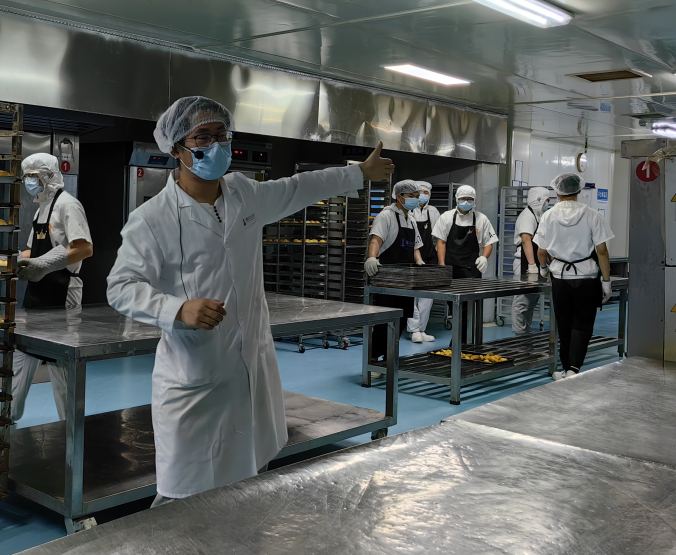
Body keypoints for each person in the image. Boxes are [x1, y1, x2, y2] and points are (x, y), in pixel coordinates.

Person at [106, 96, 393, 506]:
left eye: (221, 135)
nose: (215, 145)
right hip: (196, 373)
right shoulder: (152, 218)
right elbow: (121, 286)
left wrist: (359, 173)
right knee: (184, 493)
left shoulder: (243, 193)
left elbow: (298, 188)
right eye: (202, 137)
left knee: (249, 479)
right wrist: (177, 309)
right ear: (175, 148)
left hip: (250, 365)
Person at [0, 153, 93, 433]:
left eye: (33, 176)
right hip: (38, 288)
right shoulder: (41, 209)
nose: (28, 181)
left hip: (63, 289)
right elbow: (32, 251)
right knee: (22, 353)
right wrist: (7, 260)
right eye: (26, 176)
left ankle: (70, 429)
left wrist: (44, 265)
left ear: (49, 176)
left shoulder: (68, 205)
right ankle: (6, 417)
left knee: (60, 363)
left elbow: (84, 248)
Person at [534, 172, 613, 380]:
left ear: (557, 193)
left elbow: (541, 251)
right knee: (582, 324)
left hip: (560, 277)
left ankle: (565, 367)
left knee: (564, 323)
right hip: (587, 277)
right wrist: (606, 282)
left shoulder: (548, 216)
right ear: (579, 190)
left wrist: (543, 269)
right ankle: (574, 368)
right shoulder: (592, 215)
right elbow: (602, 251)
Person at [363, 180, 425, 361]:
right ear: (399, 197)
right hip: (388, 279)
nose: (415, 199)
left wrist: (420, 262)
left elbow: (415, 247)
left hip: (406, 280)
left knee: (403, 319)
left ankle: (388, 357)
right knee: (384, 321)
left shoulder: (411, 219)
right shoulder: (386, 216)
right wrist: (372, 257)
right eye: (411, 196)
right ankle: (373, 359)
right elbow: (376, 239)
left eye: (417, 196)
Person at [433, 185, 498, 342]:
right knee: (456, 308)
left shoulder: (481, 219)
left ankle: (460, 344)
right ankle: (461, 344)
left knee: (468, 309)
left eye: (470, 199)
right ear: (457, 199)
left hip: (472, 270)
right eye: (463, 199)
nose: (466, 202)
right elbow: (441, 242)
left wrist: (484, 257)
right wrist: (442, 264)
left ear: (474, 201)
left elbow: (489, 243)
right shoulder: (446, 217)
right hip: (450, 269)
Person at [511, 186, 552, 335]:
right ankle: (519, 334)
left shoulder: (538, 216)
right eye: (546, 201)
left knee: (531, 300)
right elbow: (526, 240)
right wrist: (532, 265)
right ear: (538, 200)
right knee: (522, 300)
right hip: (525, 262)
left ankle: (526, 332)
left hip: (534, 262)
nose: (547, 204)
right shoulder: (527, 216)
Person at [405, 181, 440, 343]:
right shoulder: (408, 210)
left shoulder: (433, 211)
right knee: (412, 296)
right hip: (411, 256)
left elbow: (440, 236)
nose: (423, 196)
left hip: (429, 257)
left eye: (426, 193)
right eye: (420, 193)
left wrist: (438, 257)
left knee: (427, 296)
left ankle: (422, 329)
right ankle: (413, 330)